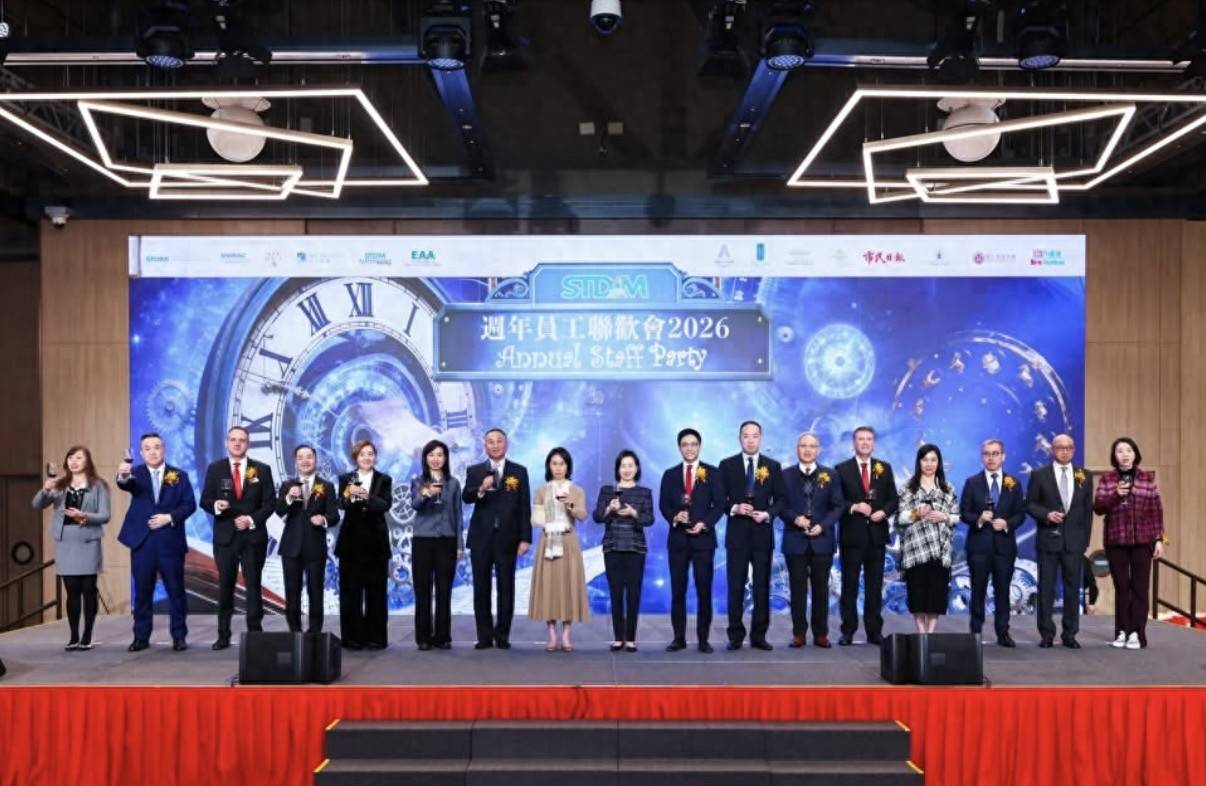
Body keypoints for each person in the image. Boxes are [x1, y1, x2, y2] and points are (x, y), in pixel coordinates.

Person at [116, 432, 196, 652]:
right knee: (143, 592)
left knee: (176, 591)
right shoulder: (135, 473)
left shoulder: (179, 475)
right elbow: (125, 484)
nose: (153, 451)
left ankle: (179, 636)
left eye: (157, 447)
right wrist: (122, 476)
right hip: (143, 543)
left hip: (170, 542)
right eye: (148, 448)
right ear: (141, 453)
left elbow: (189, 505)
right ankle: (141, 637)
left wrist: (169, 517)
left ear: (164, 449)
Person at [199, 426, 277, 651]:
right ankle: (223, 635)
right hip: (225, 538)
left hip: (253, 537)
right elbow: (205, 500)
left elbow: (269, 503)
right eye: (233, 439)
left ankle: (255, 634)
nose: (237, 443)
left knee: (253, 586)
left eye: (242, 440)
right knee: (225, 587)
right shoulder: (215, 469)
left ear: (248, 444)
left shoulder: (262, 469)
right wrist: (216, 505)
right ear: (227, 442)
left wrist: (250, 520)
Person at [32, 446, 110, 651]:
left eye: (79, 458)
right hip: (65, 543)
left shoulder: (98, 485)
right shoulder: (59, 485)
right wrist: (45, 489)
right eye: (70, 458)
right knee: (72, 591)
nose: (74, 461)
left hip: (88, 542)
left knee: (88, 591)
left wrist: (84, 516)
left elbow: (105, 515)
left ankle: (87, 635)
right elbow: (37, 504)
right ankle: (74, 635)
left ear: (87, 461)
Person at [1093, 437, 1166, 650]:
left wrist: (1159, 539)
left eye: (1128, 450)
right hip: (1116, 541)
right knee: (1122, 587)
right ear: (1114, 456)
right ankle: (1121, 631)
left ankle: (1137, 633)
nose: (1124, 454)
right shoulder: (1107, 479)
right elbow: (1098, 508)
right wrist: (1116, 495)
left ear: (1135, 454)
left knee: (1140, 589)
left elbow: (1156, 511)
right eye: (1119, 451)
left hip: (1143, 541)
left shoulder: (1146, 479)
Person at [719, 420, 785, 651]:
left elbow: (781, 500)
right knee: (736, 587)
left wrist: (767, 514)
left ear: (761, 438)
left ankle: (759, 635)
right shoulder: (727, 465)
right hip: (737, 536)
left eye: (755, 436)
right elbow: (719, 499)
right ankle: (735, 635)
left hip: (762, 535)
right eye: (746, 436)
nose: (750, 440)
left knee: (762, 587)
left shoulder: (772, 466)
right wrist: (735, 508)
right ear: (740, 438)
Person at [462, 428, 531, 650]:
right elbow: (466, 496)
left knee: (506, 587)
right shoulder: (475, 470)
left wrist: (525, 538)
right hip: (481, 538)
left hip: (508, 539)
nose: (495, 445)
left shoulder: (518, 472)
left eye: (499, 441)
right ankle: (484, 636)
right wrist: (481, 488)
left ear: (506, 444)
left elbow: (524, 506)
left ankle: (502, 635)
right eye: (490, 442)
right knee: (481, 588)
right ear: (485, 446)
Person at [659, 428, 724, 654]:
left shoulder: (713, 473)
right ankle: (678, 638)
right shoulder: (670, 474)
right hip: (678, 541)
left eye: (693, 444)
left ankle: (703, 639)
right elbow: (663, 505)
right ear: (679, 447)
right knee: (678, 591)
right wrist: (674, 517)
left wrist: (705, 523)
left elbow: (720, 505)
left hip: (703, 541)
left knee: (704, 591)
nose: (689, 448)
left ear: (700, 446)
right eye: (685, 444)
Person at [1026, 433, 1093, 649]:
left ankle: (1070, 634)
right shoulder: (1039, 475)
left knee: (1073, 589)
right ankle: (1046, 633)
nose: (1065, 451)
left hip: (1074, 543)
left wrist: (1085, 541)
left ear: (1074, 450)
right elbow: (1030, 504)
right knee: (1046, 588)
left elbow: (1087, 512)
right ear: (1052, 450)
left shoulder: (1085, 476)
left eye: (1069, 447)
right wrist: (1046, 514)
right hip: (1048, 540)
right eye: (1060, 447)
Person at [958, 439, 1027, 647]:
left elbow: (1020, 514)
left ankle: (1003, 633)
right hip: (978, 547)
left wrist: (1006, 524)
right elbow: (964, 513)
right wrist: (979, 519)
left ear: (1003, 456)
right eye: (987, 454)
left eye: (995, 453)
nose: (991, 458)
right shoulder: (972, 482)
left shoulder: (1014, 483)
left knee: (1003, 591)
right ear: (982, 457)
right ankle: (975, 632)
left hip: (1004, 547)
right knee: (977, 590)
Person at [779, 432, 844, 648]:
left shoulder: (831, 474)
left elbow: (838, 506)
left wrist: (822, 525)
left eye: (812, 446)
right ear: (797, 449)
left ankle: (821, 634)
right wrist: (795, 519)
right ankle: (798, 633)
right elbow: (780, 505)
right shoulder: (785, 475)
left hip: (822, 541)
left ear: (819, 450)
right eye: (803, 446)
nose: (807, 450)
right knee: (797, 590)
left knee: (821, 590)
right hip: (795, 540)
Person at [835, 425, 899, 646]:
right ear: (854, 443)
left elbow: (893, 499)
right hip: (851, 537)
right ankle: (848, 631)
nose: (864, 442)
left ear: (874, 443)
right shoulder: (841, 469)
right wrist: (854, 507)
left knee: (874, 587)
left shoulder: (884, 468)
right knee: (849, 586)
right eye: (860, 439)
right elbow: (836, 501)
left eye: (869, 439)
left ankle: (874, 632)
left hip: (876, 536)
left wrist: (884, 512)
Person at [529, 447, 590, 652]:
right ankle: (552, 635)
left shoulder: (577, 490)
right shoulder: (541, 490)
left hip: (568, 541)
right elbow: (536, 520)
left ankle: (566, 634)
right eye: (554, 463)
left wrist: (570, 505)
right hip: (548, 540)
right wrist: (545, 519)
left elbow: (583, 515)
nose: (558, 468)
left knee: (568, 585)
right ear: (549, 466)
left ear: (568, 466)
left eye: (562, 464)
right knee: (549, 586)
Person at [334, 440, 393, 650]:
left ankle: (376, 638)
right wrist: (350, 495)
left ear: (375, 456)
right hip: (351, 543)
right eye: (362, 454)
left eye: (370, 453)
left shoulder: (384, 479)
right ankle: (352, 638)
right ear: (355, 458)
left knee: (376, 592)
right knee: (350, 593)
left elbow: (384, 505)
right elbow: (341, 503)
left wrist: (364, 495)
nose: (367, 457)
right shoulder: (345, 479)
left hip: (376, 543)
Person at [593, 450, 654, 652]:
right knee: (616, 593)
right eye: (623, 466)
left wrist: (634, 513)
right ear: (617, 469)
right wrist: (609, 509)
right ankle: (618, 637)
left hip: (636, 548)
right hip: (612, 547)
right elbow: (597, 517)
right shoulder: (607, 491)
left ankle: (631, 638)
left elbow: (649, 519)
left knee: (634, 594)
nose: (627, 469)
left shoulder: (644, 492)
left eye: (630, 465)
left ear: (637, 468)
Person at [275, 444, 339, 635]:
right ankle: (294, 630)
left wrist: (323, 519)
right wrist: (288, 497)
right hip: (291, 547)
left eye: (309, 456)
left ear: (315, 460)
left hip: (315, 546)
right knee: (292, 591)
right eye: (300, 457)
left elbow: (334, 515)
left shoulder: (326, 486)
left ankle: (315, 632)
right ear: (295, 462)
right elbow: (279, 510)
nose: (305, 461)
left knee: (316, 591)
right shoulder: (288, 485)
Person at [896, 444, 959, 634]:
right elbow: (899, 517)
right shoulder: (908, 487)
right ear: (919, 462)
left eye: (933, 460)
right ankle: (921, 633)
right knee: (917, 596)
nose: (929, 464)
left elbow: (956, 516)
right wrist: (916, 513)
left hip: (940, 551)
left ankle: (930, 635)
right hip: (915, 550)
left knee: (936, 597)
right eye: (925, 460)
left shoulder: (947, 488)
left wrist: (944, 516)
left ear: (938, 463)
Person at [409, 439, 464, 651]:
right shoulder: (418, 481)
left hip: (447, 541)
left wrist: (459, 544)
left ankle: (442, 636)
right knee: (423, 589)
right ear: (425, 458)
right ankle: (423, 637)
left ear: (446, 458)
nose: (435, 459)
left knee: (444, 590)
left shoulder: (454, 483)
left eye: (440, 455)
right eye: (431, 455)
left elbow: (458, 515)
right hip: (422, 540)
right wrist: (427, 493)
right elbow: (415, 504)